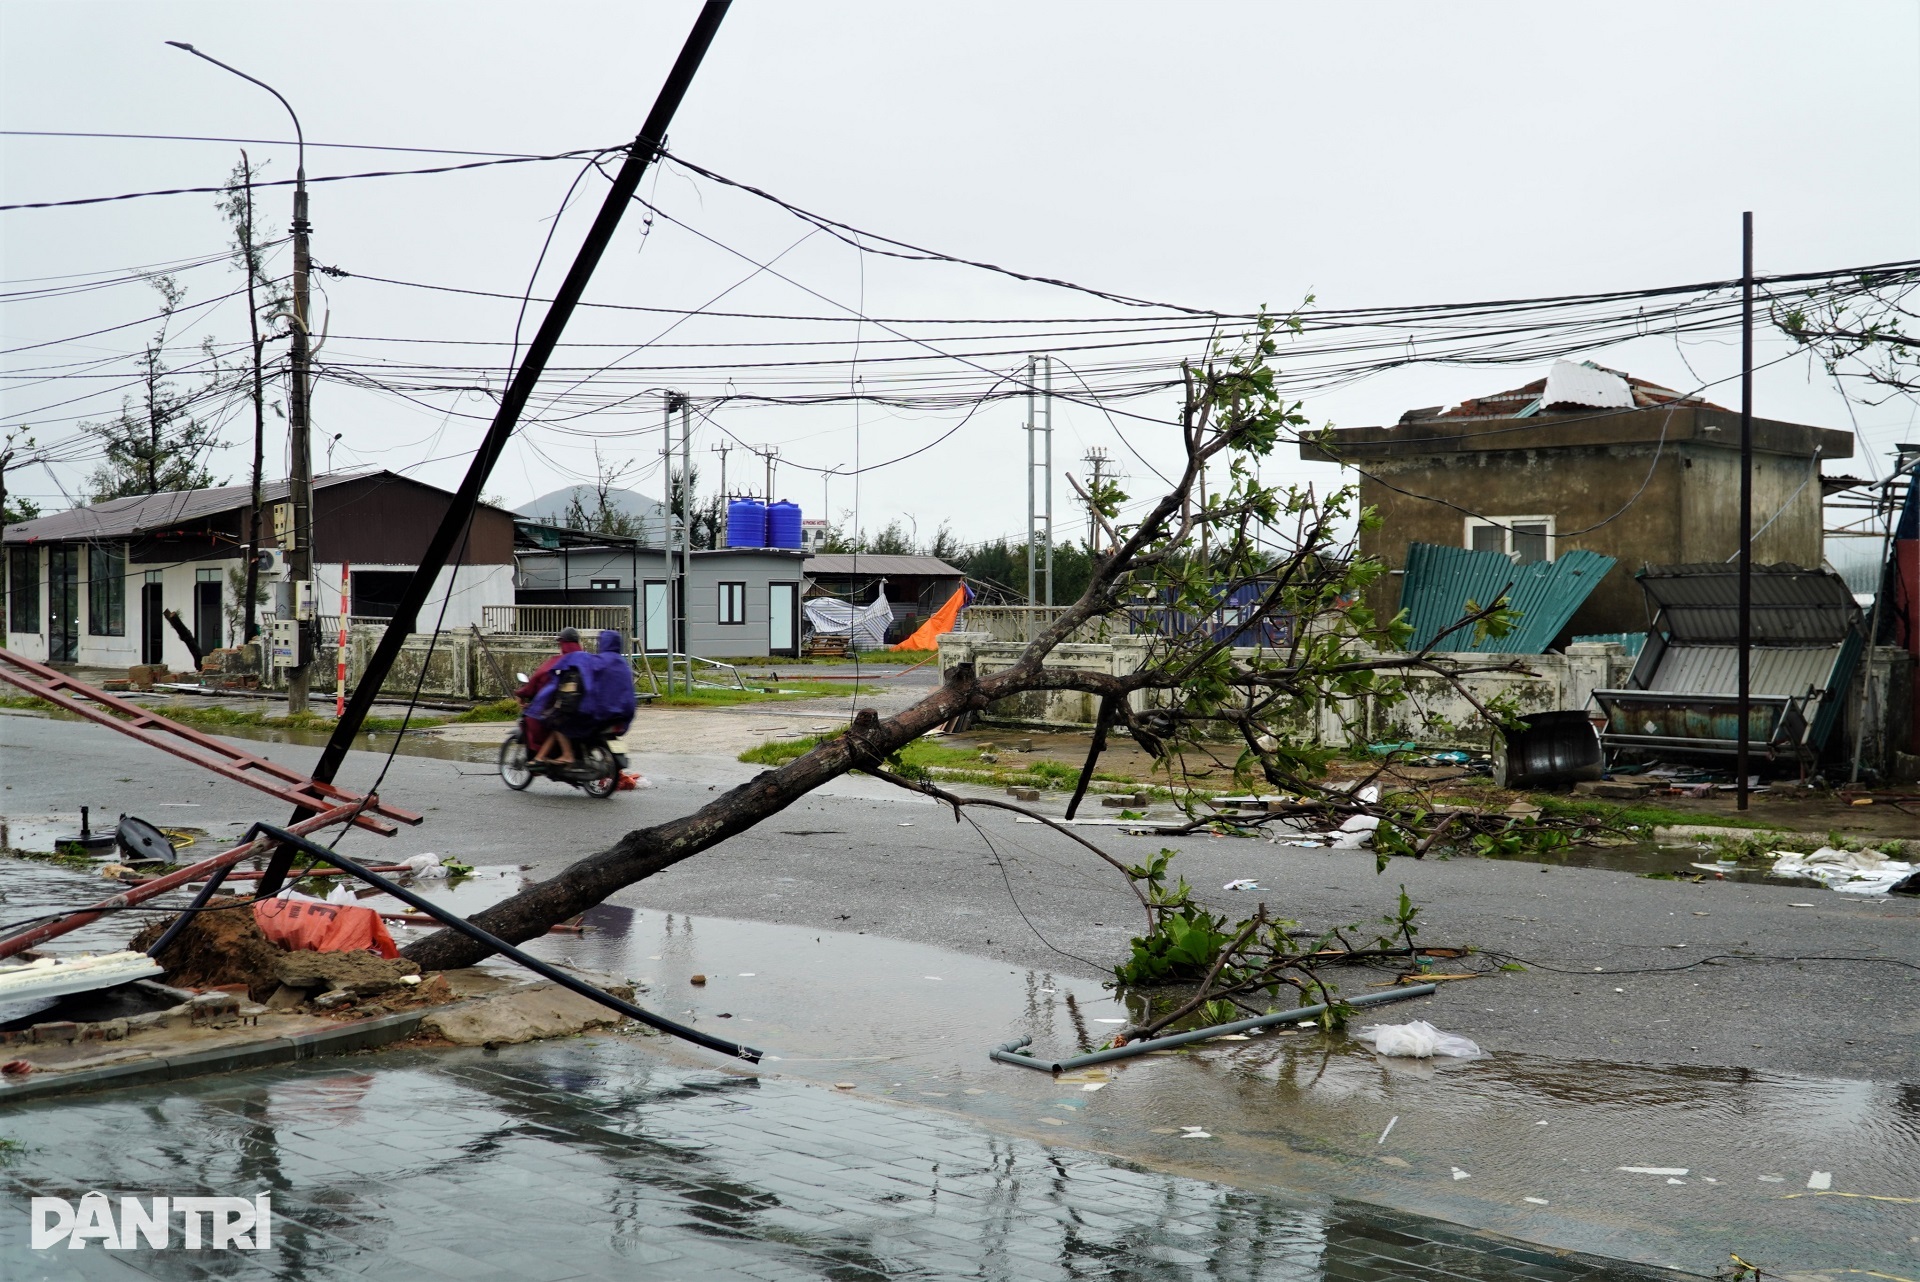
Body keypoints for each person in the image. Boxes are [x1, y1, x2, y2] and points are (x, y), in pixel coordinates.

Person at [527, 629, 636, 767]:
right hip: (623, 717)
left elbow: (585, 675)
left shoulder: (598, 661)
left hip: (602, 715)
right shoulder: (623, 664)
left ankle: (567, 755)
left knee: (558, 721)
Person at [515, 627, 581, 761]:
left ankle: (543, 757)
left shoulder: (559, 661)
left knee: (547, 720)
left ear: (562, 643)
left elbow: (536, 680)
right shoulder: (588, 659)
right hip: (588, 708)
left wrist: (521, 693)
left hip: (565, 707)